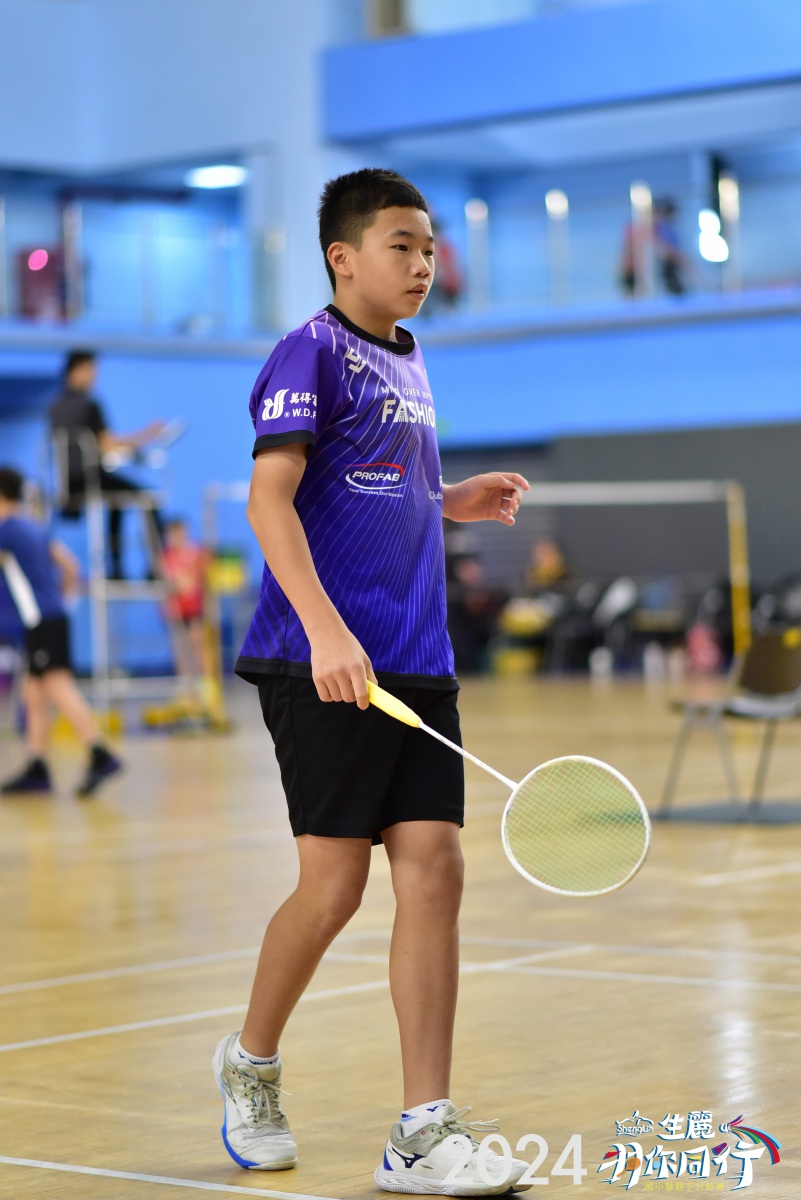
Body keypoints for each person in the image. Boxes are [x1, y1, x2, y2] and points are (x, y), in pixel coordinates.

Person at [214, 168, 531, 1194]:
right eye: (403, 245)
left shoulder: (409, 356)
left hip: (417, 656)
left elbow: (381, 484)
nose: (424, 264)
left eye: (430, 248)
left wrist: (450, 497)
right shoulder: (308, 351)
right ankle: (251, 1063)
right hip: (321, 658)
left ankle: (422, 1132)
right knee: (335, 886)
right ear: (342, 257)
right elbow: (271, 501)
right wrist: (326, 632)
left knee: (435, 867)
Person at [0, 466, 123, 797]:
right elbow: (71, 566)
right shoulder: (33, 526)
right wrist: (61, 600)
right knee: (32, 693)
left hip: (40, 621)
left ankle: (100, 753)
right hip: (50, 617)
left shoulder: (7, 530)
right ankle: (37, 767)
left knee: (57, 686)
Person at [49, 349, 166, 579]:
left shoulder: (55, 407)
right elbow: (106, 444)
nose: (95, 376)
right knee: (148, 498)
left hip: (67, 481)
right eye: (91, 370)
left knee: (117, 501)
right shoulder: (89, 404)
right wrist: (146, 436)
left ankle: (117, 567)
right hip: (90, 477)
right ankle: (155, 567)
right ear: (78, 369)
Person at [159, 517, 210, 693]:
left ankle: (204, 680)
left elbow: (204, 580)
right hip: (176, 609)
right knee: (180, 647)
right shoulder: (166, 557)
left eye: (179, 533)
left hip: (195, 607)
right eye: (172, 535)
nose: (176, 538)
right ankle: (185, 681)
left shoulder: (196, 554)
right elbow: (166, 583)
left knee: (198, 643)